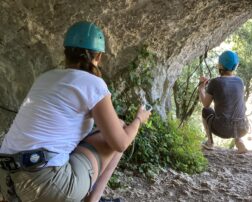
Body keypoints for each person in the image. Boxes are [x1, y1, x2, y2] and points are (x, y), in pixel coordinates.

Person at [0, 21, 151, 202]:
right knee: (119, 128)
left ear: (66, 53)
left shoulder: (45, 78)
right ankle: (93, 200)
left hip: (6, 179)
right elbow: (120, 143)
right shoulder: (94, 84)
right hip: (46, 185)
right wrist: (139, 120)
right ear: (98, 57)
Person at [198, 50, 249, 153]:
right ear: (235, 66)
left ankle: (210, 143)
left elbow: (206, 104)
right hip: (243, 128)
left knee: (205, 111)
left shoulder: (215, 82)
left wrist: (201, 88)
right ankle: (239, 141)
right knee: (236, 110)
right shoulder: (240, 81)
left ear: (220, 65)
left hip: (223, 129)